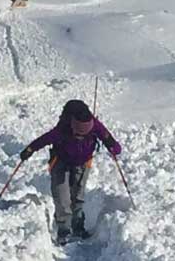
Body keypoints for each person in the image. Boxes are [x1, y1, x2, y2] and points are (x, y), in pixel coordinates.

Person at [20, 99, 122, 241]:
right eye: (78, 134)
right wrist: (29, 150)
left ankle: (78, 226)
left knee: (78, 196)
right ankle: (64, 230)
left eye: (84, 135)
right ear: (73, 127)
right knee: (62, 197)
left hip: (83, 162)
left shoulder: (95, 126)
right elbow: (44, 139)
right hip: (60, 161)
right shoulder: (63, 129)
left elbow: (108, 138)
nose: (80, 137)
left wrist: (113, 147)